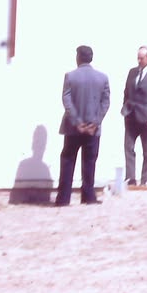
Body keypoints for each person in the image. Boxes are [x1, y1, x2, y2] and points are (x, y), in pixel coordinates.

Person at [56, 45, 111, 206]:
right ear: (91, 58)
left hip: (73, 128)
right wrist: (95, 122)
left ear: (78, 57)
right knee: (90, 161)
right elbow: (105, 102)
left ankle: (63, 198)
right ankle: (88, 196)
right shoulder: (102, 77)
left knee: (67, 160)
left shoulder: (70, 76)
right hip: (93, 129)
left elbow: (67, 101)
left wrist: (78, 122)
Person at [121, 45, 147, 188]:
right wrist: (125, 108)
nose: (139, 60)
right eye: (138, 57)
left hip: (146, 118)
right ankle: (130, 178)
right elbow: (126, 91)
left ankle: (144, 178)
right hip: (131, 115)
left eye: (142, 58)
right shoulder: (132, 72)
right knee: (128, 147)